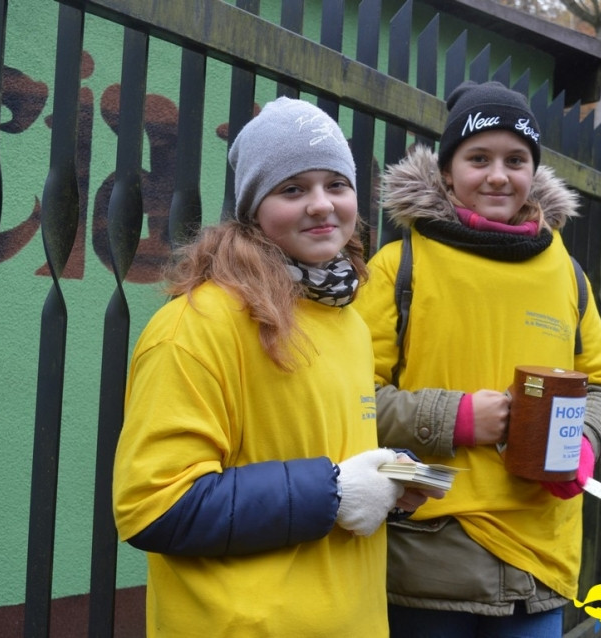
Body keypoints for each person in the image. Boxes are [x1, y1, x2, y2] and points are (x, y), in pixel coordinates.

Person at [112, 97, 442, 637]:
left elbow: (321, 453)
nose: (321, 205)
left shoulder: (348, 321)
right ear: (253, 208)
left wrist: (383, 477)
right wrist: (333, 491)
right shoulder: (195, 326)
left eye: (336, 185)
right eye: (293, 189)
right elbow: (154, 505)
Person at [352, 81, 601, 637]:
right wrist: (456, 418)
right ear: (447, 171)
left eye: (515, 160)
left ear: (534, 172)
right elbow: (348, 400)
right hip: (426, 557)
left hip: (540, 559)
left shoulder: (566, 273)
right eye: (479, 158)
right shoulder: (397, 267)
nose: (499, 175)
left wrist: (584, 443)